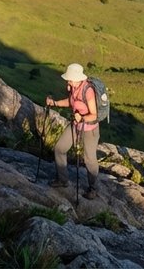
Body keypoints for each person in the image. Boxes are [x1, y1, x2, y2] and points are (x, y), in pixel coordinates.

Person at [45, 63, 100, 199]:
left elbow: (94, 114)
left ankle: (93, 188)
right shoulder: (73, 88)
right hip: (76, 125)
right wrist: (55, 103)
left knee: (89, 159)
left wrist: (82, 117)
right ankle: (62, 180)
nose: (68, 81)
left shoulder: (88, 91)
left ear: (77, 78)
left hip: (90, 129)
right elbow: (71, 102)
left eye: (70, 79)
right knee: (59, 148)